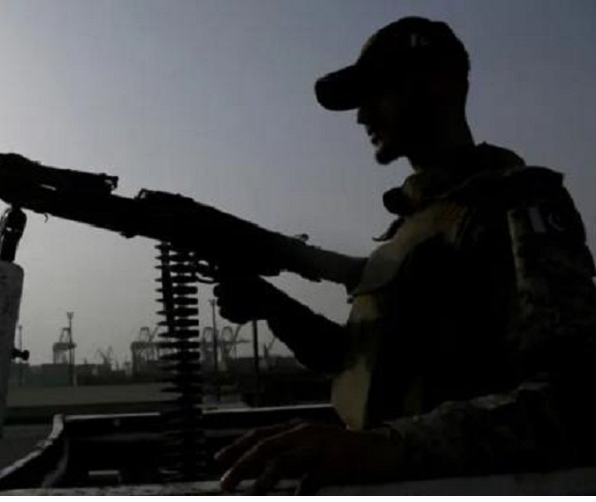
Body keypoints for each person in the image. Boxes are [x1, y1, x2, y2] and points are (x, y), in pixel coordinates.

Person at [214, 16, 596, 494]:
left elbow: (574, 402)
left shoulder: (517, 202)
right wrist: (274, 308)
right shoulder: (410, 228)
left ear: (439, 84)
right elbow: (365, 361)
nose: (361, 116)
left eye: (378, 92)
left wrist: (386, 448)